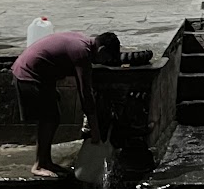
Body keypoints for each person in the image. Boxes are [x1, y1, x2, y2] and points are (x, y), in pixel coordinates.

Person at [11, 29, 121, 178]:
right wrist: (95, 130)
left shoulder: (83, 41)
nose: (104, 62)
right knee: (49, 119)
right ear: (101, 50)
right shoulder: (82, 54)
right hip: (28, 74)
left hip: (37, 74)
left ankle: (46, 161)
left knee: (52, 117)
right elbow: (85, 95)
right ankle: (39, 164)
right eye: (105, 58)